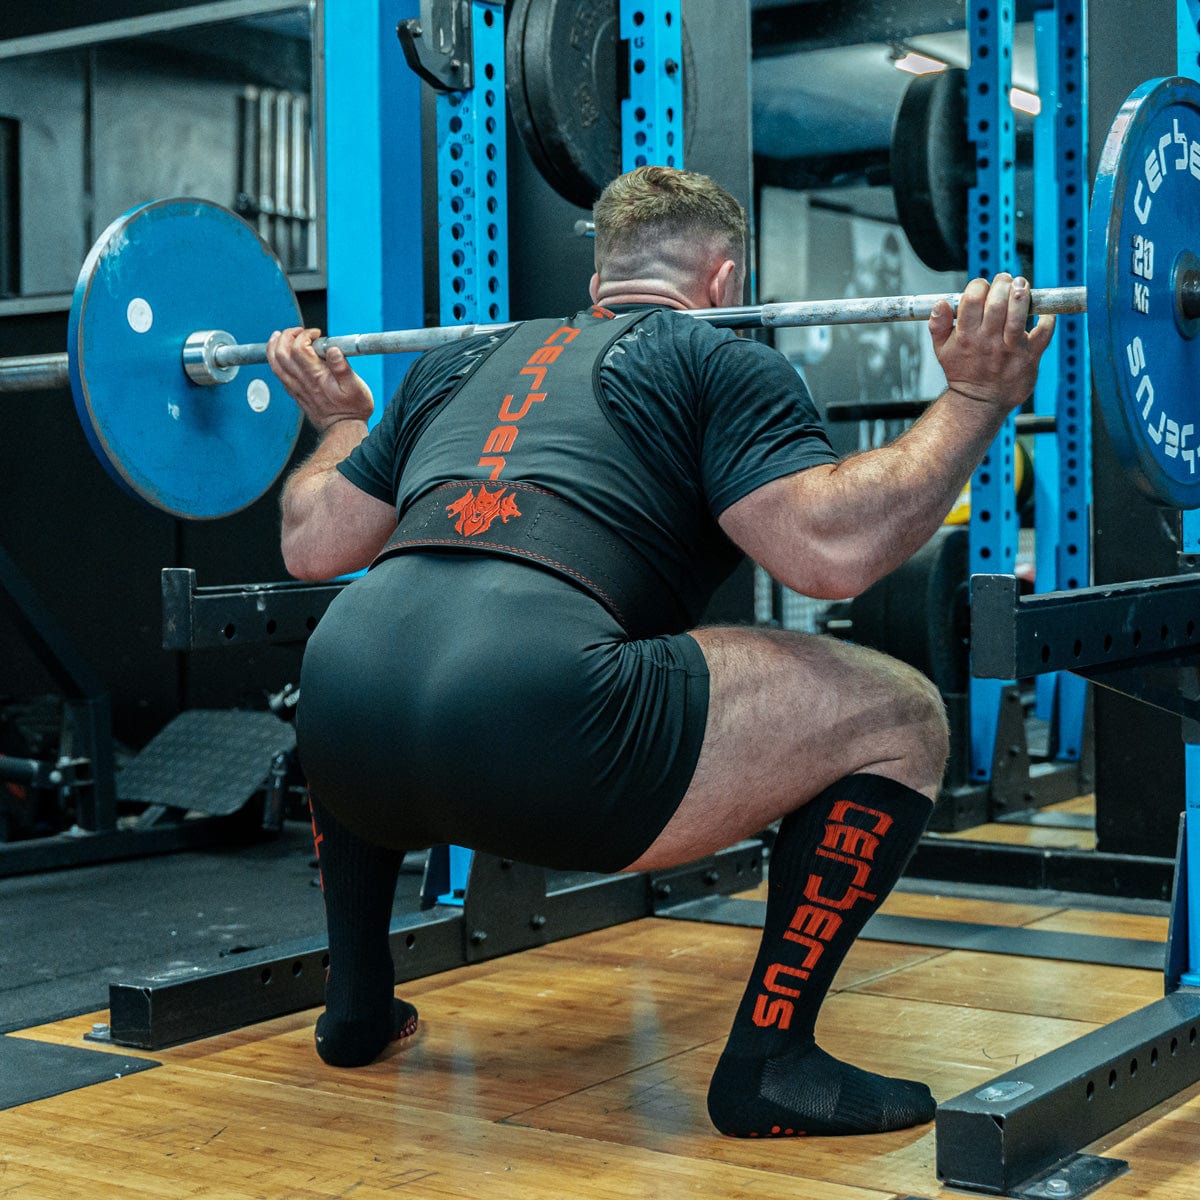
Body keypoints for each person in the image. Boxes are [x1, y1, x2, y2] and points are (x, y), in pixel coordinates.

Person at [266, 165, 1054, 1139]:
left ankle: (356, 1005)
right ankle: (772, 1063)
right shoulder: (719, 358)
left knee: (384, 654)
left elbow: (313, 545)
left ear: (600, 281)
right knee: (902, 715)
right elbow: (832, 554)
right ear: (724, 282)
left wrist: (341, 423)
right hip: (541, 731)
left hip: (341, 718)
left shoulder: (456, 363)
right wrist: (976, 396)